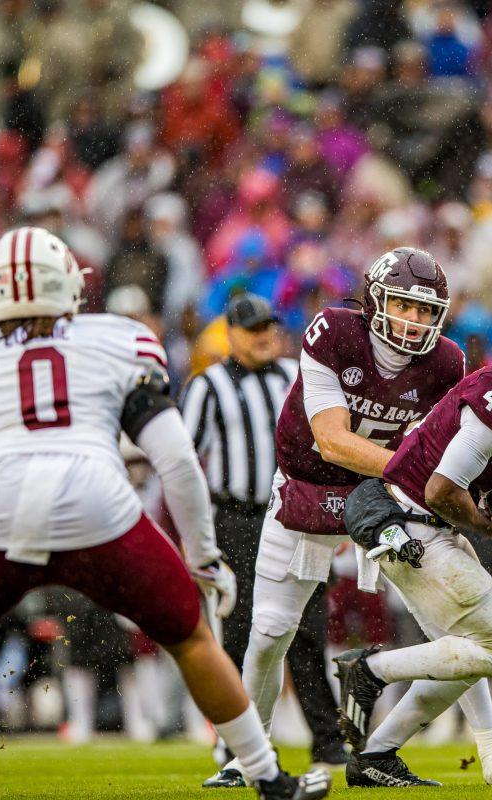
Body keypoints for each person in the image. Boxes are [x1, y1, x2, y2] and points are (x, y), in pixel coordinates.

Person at [0, 227, 328, 800]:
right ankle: (268, 778)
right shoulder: (118, 341)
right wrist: (204, 558)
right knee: (192, 639)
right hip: (100, 510)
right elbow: (176, 460)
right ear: (69, 281)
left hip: (0, 517)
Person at [234, 248, 492, 786]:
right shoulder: (334, 332)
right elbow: (332, 440)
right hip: (310, 485)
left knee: (453, 622)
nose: (414, 321)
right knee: (272, 630)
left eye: (425, 310)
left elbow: (451, 447)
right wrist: (415, 470)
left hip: (385, 495)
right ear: (374, 301)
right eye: (403, 306)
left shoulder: (445, 362)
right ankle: (244, 753)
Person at [335, 292, 492, 786]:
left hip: (433, 521)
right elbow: (441, 488)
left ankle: (383, 756)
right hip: (405, 520)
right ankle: (372, 670)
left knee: (467, 648)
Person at [180, 294, 346, 785]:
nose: (264, 335)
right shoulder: (207, 386)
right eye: (253, 328)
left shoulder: (296, 374)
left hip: (297, 514)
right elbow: (186, 461)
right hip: (237, 517)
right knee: (240, 632)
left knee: (308, 628)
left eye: (269, 326)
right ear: (230, 333)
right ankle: (238, 740)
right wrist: (199, 536)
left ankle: (328, 740)